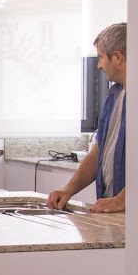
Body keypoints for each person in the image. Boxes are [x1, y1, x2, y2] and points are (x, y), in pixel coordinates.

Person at [48, 22, 127, 213]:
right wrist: (69, 190)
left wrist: (124, 199)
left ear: (117, 57)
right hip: (109, 207)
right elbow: (98, 151)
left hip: (134, 213)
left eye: (100, 58)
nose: (98, 65)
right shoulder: (113, 95)